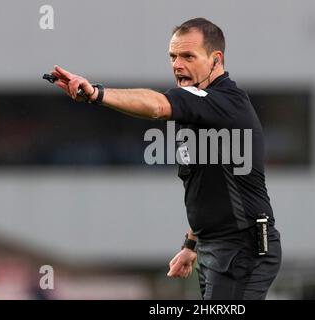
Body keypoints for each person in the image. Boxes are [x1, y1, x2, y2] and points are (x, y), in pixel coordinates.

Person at [50, 17, 281, 300]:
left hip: (242, 247)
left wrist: (97, 94)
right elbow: (208, 190)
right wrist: (191, 245)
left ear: (216, 59)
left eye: (187, 56)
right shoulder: (198, 110)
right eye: (173, 56)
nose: (177, 64)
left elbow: (158, 106)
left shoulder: (225, 101)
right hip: (215, 247)